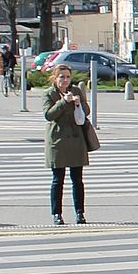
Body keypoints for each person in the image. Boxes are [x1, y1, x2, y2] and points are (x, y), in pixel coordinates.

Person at [43, 63, 92, 226]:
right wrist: (63, 102)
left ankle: (80, 213)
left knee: (77, 179)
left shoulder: (76, 91)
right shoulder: (49, 94)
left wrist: (79, 104)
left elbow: (86, 111)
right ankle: (57, 213)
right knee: (58, 180)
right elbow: (49, 115)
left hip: (76, 140)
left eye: (68, 77)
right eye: (61, 77)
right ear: (55, 78)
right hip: (58, 142)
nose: (65, 80)